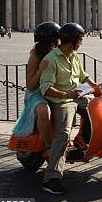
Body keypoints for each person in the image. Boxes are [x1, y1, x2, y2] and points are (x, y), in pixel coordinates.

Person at [39, 23, 102, 195]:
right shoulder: (50, 60)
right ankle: (51, 177)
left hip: (77, 96)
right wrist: (66, 94)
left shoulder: (74, 56)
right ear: (71, 41)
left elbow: (82, 75)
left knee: (97, 110)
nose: (81, 43)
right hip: (60, 101)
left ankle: (82, 144)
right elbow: (46, 88)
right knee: (64, 133)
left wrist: (96, 87)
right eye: (80, 40)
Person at [12, 22, 60, 153]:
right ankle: (48, 146)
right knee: (44, 111)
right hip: (36, 93)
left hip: (55, 90)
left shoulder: (59, 53)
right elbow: (30, 85)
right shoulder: (35, 56)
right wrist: (39, 72)